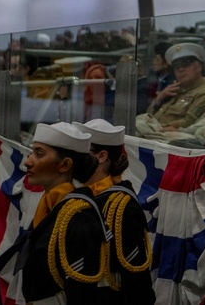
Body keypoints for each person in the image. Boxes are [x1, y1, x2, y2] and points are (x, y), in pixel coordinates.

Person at [0, 122, 110, 304]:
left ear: (64, 165)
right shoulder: (48, 208)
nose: (28, 161)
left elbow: (83, 293)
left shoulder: (79, 219)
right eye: (32, 152)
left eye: (39, 154)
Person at [74, 119, 155, 304]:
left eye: (81, 152)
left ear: (102, 156)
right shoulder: (75, 196)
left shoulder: (121, 207)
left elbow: (135, 279)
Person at [134, 42, 205, 137]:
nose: (180, 69)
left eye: (186, 65)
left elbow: (190, 122)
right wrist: (159, 99)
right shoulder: (175, 88)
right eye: (176, 66)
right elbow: (149, 113)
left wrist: (155, 127)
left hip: (169, 137)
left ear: (199, 67)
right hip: (154, 134)